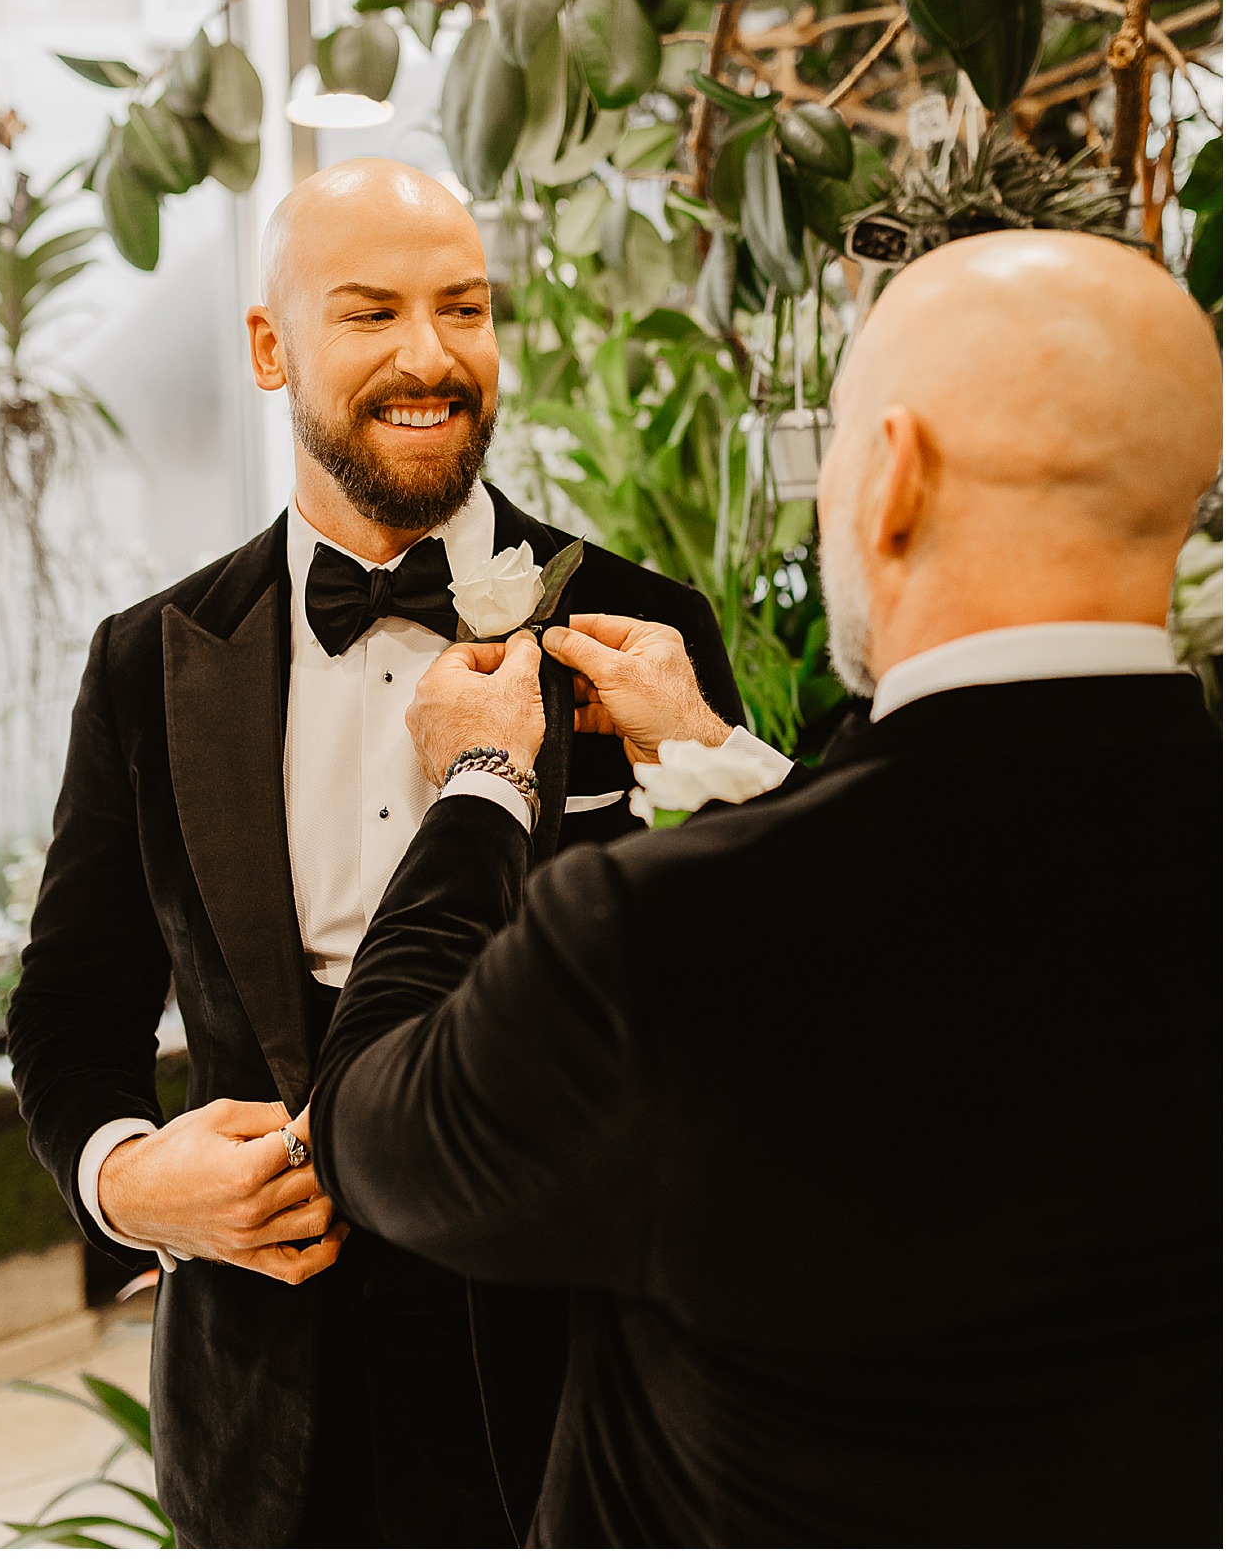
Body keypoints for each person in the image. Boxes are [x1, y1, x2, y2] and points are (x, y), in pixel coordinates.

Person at [312, 229, 1222, 1548]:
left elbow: (368, 1123)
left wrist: (480, 789)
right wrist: (714, 757)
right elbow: (949, 906)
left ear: (891, 476)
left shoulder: (654, 942)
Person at [5, 158, 743, 1550]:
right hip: (265, 1392)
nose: (432, 356)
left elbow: (739, 1004)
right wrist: (126, 1178)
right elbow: (66, 1010)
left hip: (576, 1377)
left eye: (464, 308)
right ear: (272, 349)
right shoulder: (148, 662)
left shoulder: (647, 633)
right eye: (372, 312)